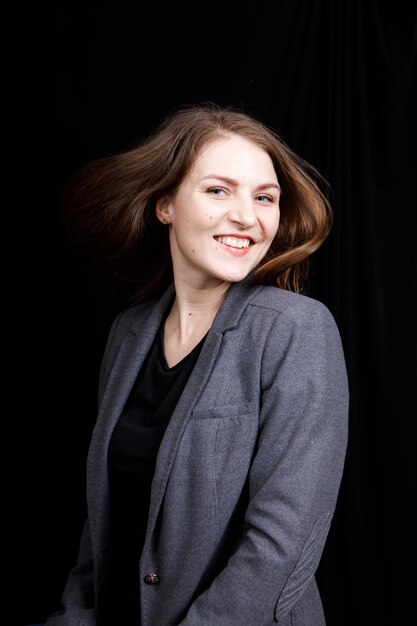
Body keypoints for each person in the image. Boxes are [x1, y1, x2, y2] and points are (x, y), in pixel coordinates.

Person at [45, 102, 349, 626]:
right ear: (165, 204)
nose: (247, 217)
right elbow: (105, 525)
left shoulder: (295, 328)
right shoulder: (129, 335)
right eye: (218, 190)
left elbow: (281, 541)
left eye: (264, 198)